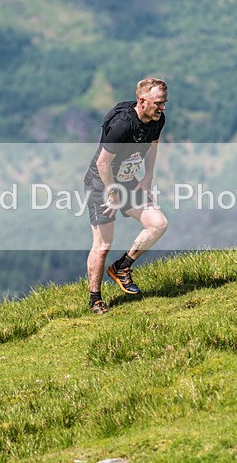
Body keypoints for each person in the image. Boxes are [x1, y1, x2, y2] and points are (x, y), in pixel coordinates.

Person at [83, 77, 169, 314]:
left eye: (164, 103)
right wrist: (113, 193)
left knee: (158, 224)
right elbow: (103, 162)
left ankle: (122, 267)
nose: (162, 108)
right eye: (158, 103)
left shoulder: (156, 120)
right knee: (103, 245)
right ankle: (95, 299)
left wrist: (147, 177)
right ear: (142, 101)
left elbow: (153, 145)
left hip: (128, 181)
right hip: (102, 185)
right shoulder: (122, 124)